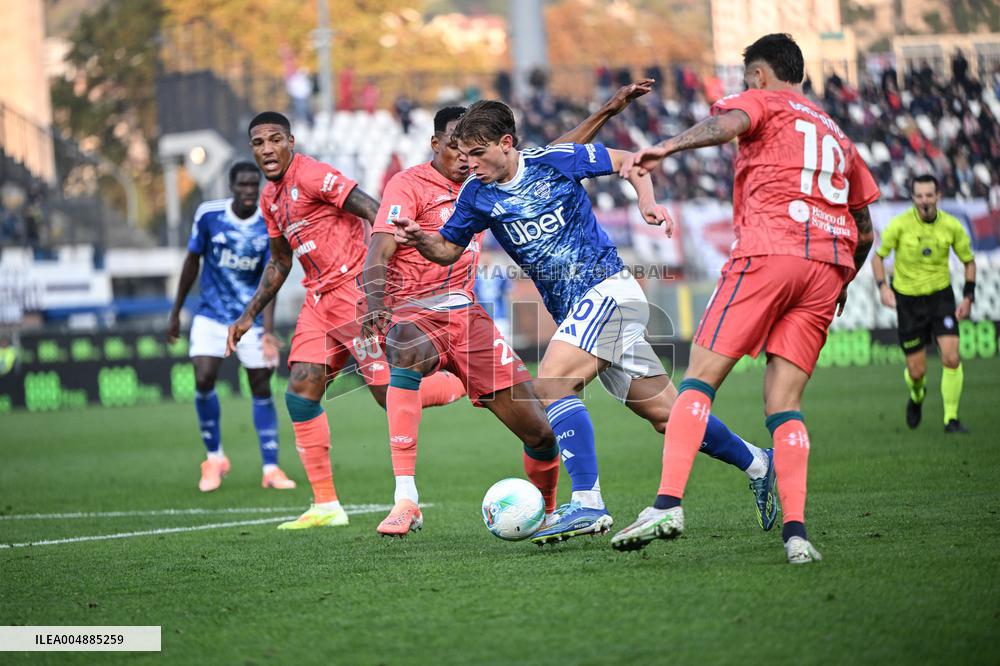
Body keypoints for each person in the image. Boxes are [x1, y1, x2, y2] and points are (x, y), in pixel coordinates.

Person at [395, 99, 775, 546]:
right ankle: (759, 463)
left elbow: (631, 163)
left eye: (478, 154)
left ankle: (589, 504)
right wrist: (422, 240)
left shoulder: (555, 160)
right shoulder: (475, 195)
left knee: (554, 380)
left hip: (611, 292)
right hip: (581, 314)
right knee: (666, 415)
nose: (469, 164)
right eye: (465, 155)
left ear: (506, 143)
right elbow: (446, 250)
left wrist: (647, 204)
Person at [611, 33, 880, 564]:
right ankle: (798, 535)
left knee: (698, 379)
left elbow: (728, 124)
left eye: (745, 79)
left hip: (768, 251)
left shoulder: (760, 101)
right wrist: (843, 283)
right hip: (828, 266)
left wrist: (668, 146)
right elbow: (865, 228)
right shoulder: (838, 136)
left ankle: (667, 503)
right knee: (785, 404)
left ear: (758, 75)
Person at [362, 83, 660, 537]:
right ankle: (407, 499)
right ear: (437, 144)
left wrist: (610, 108)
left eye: (473, 152)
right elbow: (382, 246)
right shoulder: (415, 184)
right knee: (406, 353)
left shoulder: (485, 180)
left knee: (542, 433)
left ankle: (553, 511)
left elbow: (559, 154)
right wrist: (379, 300)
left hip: (469, 314)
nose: (465, 160)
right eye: (457, 150)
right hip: (415, 313)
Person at [227, 112, 465, 530]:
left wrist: (382, 274)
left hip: (354, 293)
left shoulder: (315, 174)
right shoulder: (270, 198)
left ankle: (458, 381)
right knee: (301, 387)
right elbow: (281, 262)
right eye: (258, 143)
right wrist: (248, 315)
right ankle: (326, 505)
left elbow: (376, 211)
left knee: (383, 393)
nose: (267, 149)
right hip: (318, 300)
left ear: (291, 141)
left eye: (275, 140)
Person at [166, 162, 295, 493]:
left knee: (261, 386)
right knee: (204, 377)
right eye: (243, 185)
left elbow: (273, 278)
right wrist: (177, 310)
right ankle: (214, 458)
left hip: (248, 319)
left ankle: (270, 467)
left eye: (255, 184)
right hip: (210, 316)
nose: (250, 190)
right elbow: (191, 262)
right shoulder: (209, 215)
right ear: (232, 186)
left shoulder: (270, 222)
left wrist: (266, 331)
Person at [871, 174, 975, 433]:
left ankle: (951, 419)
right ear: (913, 197)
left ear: (938, 196)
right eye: (919, 196)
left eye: (929, 195)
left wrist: (968, 296)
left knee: (951, 357)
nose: (924, 200)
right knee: (917, 372)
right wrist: (883, 287)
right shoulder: (899, 225)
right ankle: (917, 396)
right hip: (908, 301)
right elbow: (878, 257)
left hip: (941, 297)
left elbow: (968, 261)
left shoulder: (951, 226)